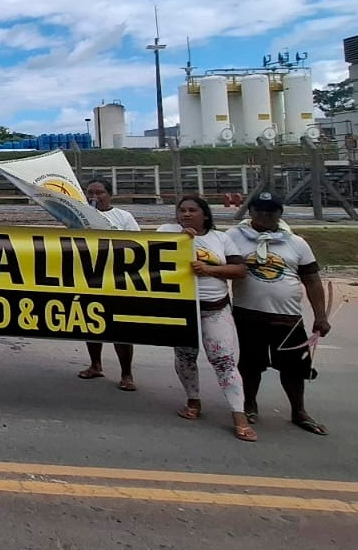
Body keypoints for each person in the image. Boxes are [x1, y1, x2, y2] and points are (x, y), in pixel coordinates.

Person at [226, 192, 333, 436]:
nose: (264, 215)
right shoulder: (232, 238)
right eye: (259, 210)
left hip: (287, 318)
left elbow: (312, 281)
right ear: (250, 212)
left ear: (279, 214)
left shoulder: (296, 243)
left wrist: (320, 316)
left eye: (271, 211)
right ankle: (249, 404)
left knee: (294, 369)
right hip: (247, 315)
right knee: (250, 366)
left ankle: (299, 411)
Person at [160, 196, 255, 442]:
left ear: (205, 214)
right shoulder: (167, 232)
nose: (187, 214)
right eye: (182, 210)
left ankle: (239, 413)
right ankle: (193, 400)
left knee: (224, 361)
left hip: (215, 308)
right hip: (182, 308)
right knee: (185, 357)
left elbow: (240, 270)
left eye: (193, 210)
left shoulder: (221, 239)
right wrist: (181, 240)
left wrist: (210, 269)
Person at [78, 177, 141, 391]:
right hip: (89, 276)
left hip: (116, 278)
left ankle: (126, 373)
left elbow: (137, 245)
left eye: (99, 193)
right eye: (90, 193)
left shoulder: (123, 217)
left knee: (120, 327)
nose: (94, 197)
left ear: (109, 195)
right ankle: (95, 364)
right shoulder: (80, 216)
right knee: (91, 322)